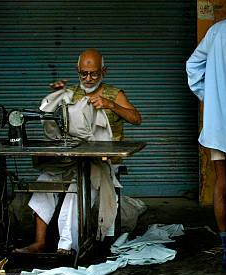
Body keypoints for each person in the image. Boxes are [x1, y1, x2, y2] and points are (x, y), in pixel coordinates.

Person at [16, 49, 142, 254]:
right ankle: (39, 242)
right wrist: (53, 98)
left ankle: (66, 246)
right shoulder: (72, 93)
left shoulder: (114, 93)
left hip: (103, 162)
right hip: (72, 158)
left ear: (104, 71)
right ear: (77, 70)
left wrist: (111, 105)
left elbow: (137, 118)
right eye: (84, 73)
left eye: (94, 74)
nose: (89, 78)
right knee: (44, 181)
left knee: (78, 187)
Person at [186, 16, 226, 269]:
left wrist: (209, 97)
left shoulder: (217, 30)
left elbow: (193, 65)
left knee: (221, 182)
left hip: (218, 124)